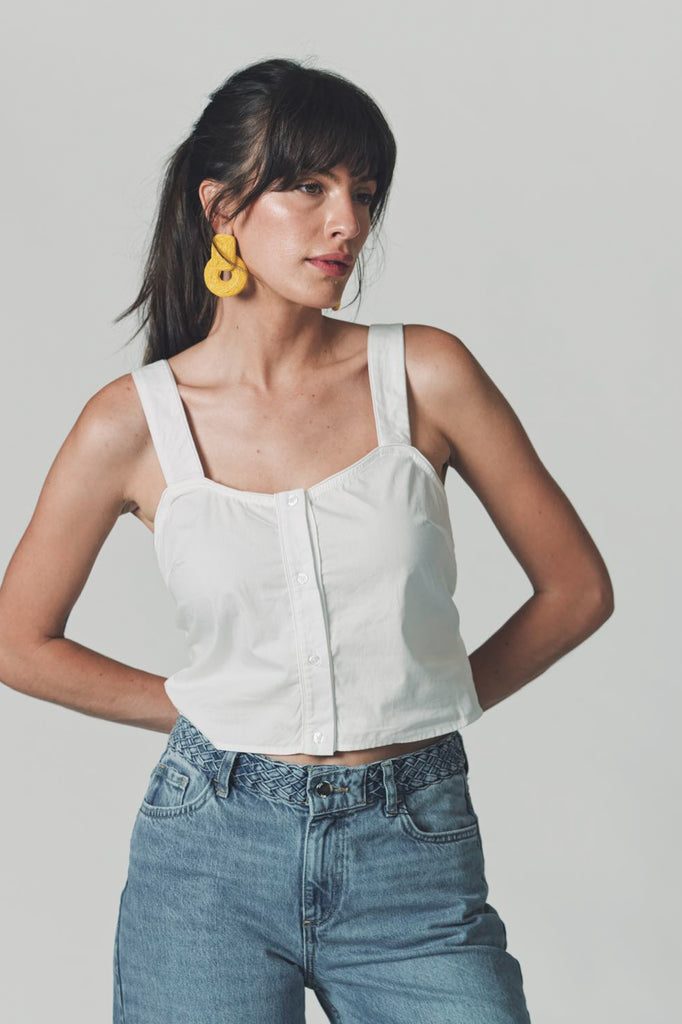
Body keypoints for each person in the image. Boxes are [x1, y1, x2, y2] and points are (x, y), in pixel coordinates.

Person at [0, 57, 613, 1023]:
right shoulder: (132, 423)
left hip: (413, 849)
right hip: (207, 861)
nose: (348, 223)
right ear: (220, 207)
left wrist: (421, 705)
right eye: (309, 186)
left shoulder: (425, 374)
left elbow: (577, 590)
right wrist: (201, 712)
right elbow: (16, 640)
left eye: (362, 193)